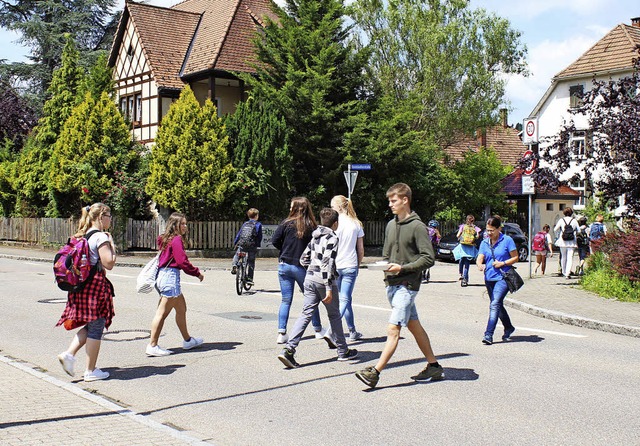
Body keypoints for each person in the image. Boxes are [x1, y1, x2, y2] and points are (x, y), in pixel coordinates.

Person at [355, 183, 444, 389]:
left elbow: (428, 258)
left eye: (393, 200)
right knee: (414, 325)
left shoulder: (418, 227)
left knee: (393, 329)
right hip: (392, 284)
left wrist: (402, 268)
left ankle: (374, 372)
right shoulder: (390, 225)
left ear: (405, 200)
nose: (390, 204)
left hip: (407, 285)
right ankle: (434, 366)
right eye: (389, 201)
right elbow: (386, 256)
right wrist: (384, 267)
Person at [278, 208, 359, 368]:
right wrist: (328, 287)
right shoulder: (332, 237)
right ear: (335, 223)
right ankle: (343, 351)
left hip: (309, 278)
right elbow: (327, 263)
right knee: (334, 315)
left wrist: (311, 270)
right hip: (324, 281)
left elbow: (303, 258)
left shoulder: (315, 235)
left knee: (305, 314)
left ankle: (289, 349)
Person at [56, 203, 116, 382]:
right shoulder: (100, 237)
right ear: (100, 217)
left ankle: (68, 355)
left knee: (92, 325)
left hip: (82, 286)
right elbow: (109, 263)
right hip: (95, 288)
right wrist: (111, 244)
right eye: (109, 216)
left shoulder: (83, 235)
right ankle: (90, 370)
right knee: (96, 327)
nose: (110, 219)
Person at [146, 212, 205, 357]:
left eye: (185, 223)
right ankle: (152, 345)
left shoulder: (164, 239)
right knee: (161, 313)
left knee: (181, 309)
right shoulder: (176, 239)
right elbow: (182, 261)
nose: (185, 226)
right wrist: (197, 273)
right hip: (170, 278)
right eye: (182, 223)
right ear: (175, 225)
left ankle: (188, 340)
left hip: (164, 277)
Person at [272, 197, 327, 345]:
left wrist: (284, 249)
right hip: (302, 267)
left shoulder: (286, 223)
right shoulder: (311, 225)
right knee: (311, 299)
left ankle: (281, 333)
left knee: (285, 300)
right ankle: (317, 330)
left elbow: (274, 240)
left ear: (295, 207)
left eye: (291, 206)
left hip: (284, 264)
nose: (290, 208)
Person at [476, 216, 518, 345]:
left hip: (503, 277)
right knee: (497, 305)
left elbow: (515, 257)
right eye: (487, 230)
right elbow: (480, 257)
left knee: (494, 304)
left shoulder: (507, 240)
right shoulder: (485, 242)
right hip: (489, 278)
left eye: (492, 230)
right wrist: (479, 264)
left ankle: (488, 334)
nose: (489, 233)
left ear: (499, 228)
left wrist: (503, 263)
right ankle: (509, 327)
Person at [330, 195, 364, 342]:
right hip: (350, 264)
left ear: (338, 207)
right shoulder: (356, 223)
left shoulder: (334, 224)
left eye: (332, 206)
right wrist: (358, 264)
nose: (331, 209)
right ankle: (344, 330)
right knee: (345, 299)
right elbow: (360, 249)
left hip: (336, 265)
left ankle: (350, 330)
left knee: (343, 299)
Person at [231, 208, 262, 285]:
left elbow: (239, 234)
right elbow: (259, 236)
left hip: (242, 244)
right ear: (256, 216)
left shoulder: (245, 224)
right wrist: (257, 244)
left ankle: (234, 265)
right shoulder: (258, 224)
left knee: (238, 254)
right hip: (252, 245)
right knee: (251, 261)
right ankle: (249, 278)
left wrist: (235, 242)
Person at [454, 214, 481, 287]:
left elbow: (457, 235)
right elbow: (478, 236)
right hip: (470, 247)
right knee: (467, 263)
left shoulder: (463, 226)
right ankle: (465, 279)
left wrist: (460, 238)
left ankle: (461, 274)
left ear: (466, 220)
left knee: (461, 260)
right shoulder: (475, 228)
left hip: (463, 246)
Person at [553, 207, 580, 279]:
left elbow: (555, 229)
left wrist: (560, 234)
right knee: (570, 257)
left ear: (564, 213)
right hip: (572, 241)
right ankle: (568, 273)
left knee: (563, 257)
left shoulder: (561, 220)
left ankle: (564, 272)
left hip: (563, 241)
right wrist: (574, 232)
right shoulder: (574, 221)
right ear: (571, 213)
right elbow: (579, 230)